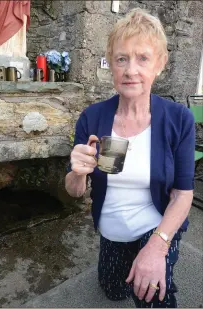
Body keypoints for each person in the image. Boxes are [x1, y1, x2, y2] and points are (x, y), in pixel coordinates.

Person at [65, 8, 195, 308]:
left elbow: (183, 194)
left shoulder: (179, 119)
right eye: (121, 58)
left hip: (157, 225)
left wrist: (158, 247)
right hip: (110, 230)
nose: (130, 70)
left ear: (159, 65)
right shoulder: (92, 117)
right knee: (114, 290)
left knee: (152, 294)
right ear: (111, 64)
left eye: (143, 58)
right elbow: (75, 191)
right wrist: (77, 172)